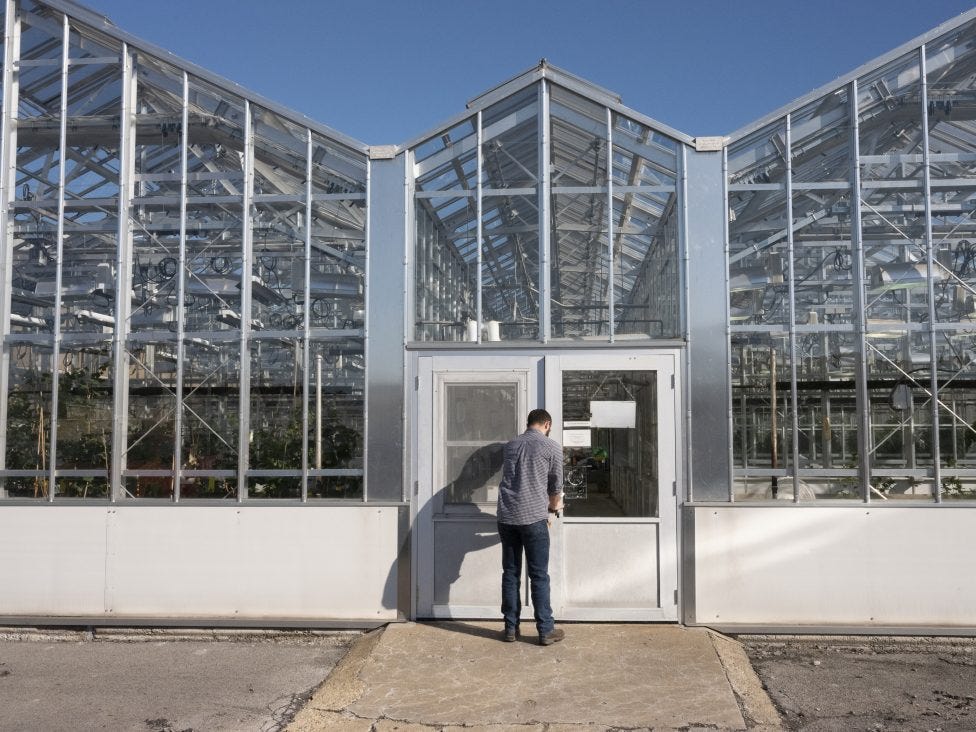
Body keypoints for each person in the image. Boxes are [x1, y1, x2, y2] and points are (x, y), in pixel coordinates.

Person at [496, 408, 565, 646]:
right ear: (547, 424)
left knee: (510, 573)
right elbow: (556, 486)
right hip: (534, 517)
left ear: (529, 423)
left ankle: (510, 629)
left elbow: (512, 478)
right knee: (538, 575)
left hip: (507, 516)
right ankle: (545, 630)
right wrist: (555, 508)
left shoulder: (511, 445)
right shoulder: (551, 446)